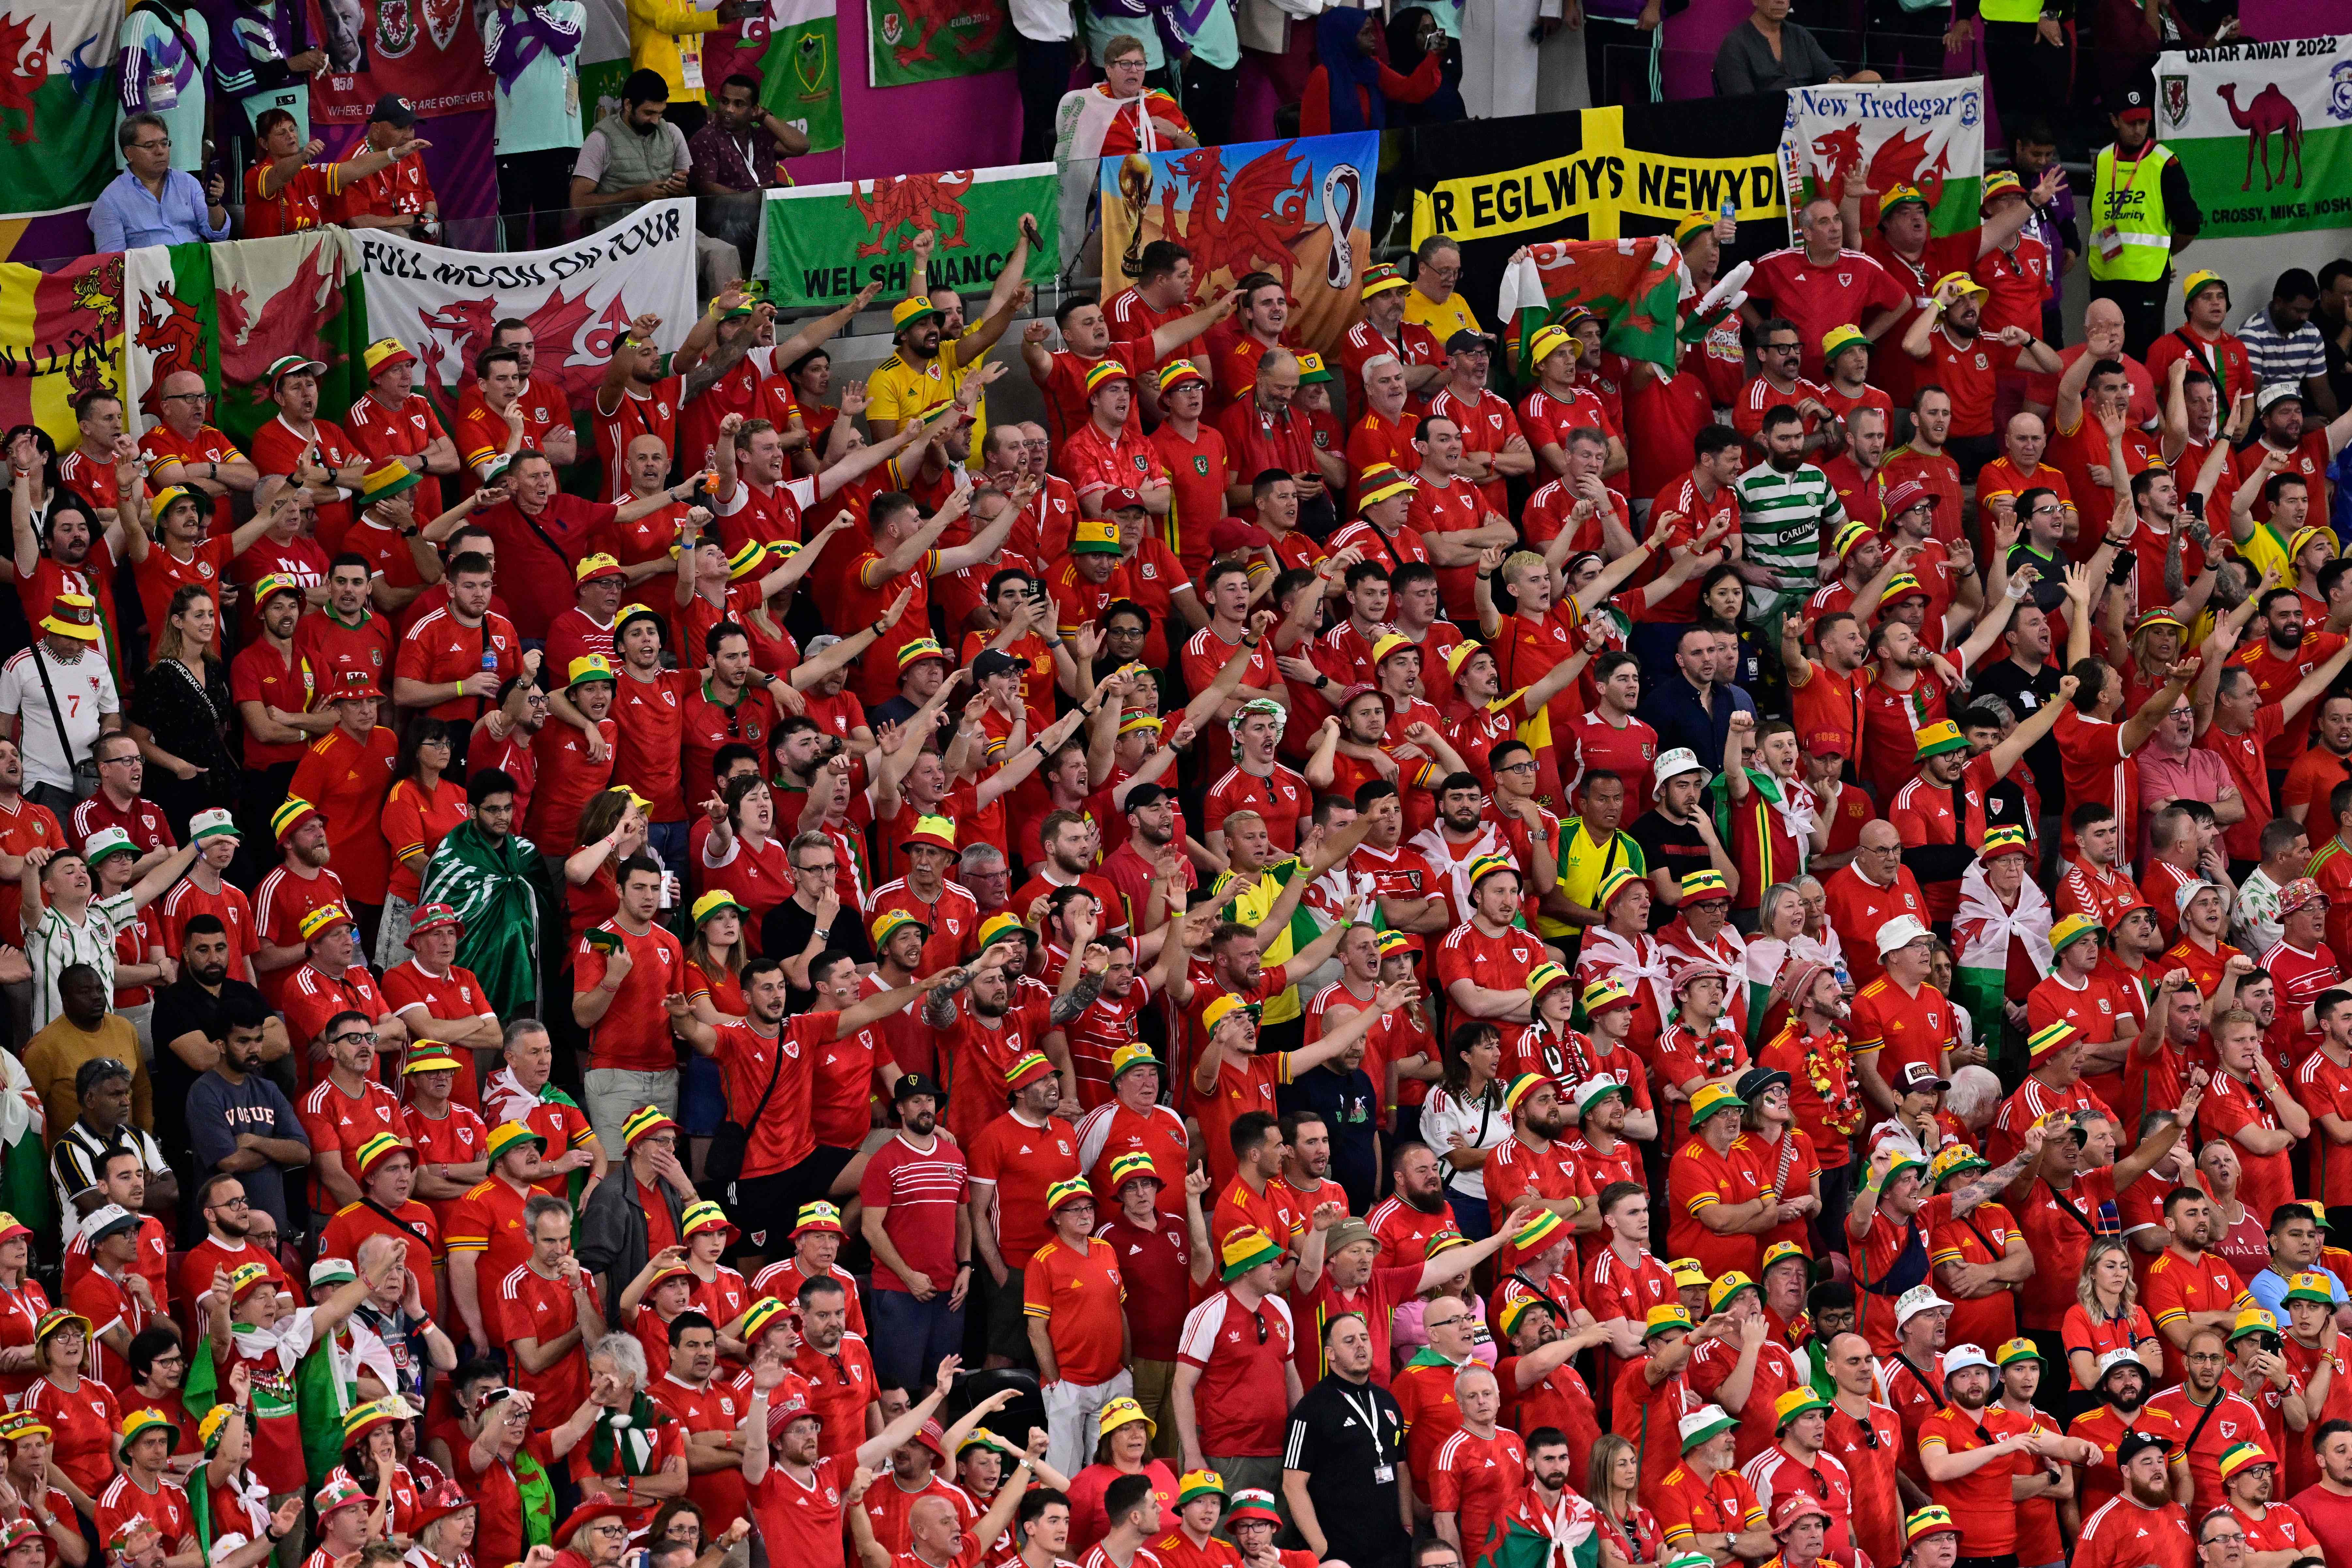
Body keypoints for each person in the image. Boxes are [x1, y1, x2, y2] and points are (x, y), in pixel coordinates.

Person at [2086, 86, 2205, 359]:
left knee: (2142, 353)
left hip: (2147, 279)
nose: (2139, 130)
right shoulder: (2103, 159)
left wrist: (2164, 254)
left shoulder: (2165, 162)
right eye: (2131, 123)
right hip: (2105, 273)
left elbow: (2189, 224)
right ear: (2115, 121)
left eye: (2144, 122)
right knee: (2103, 352)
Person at [90, 114, 227, 250]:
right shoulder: (110, 200)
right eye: (150, 146)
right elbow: (113, 261)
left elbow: (218, 235)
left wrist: (213, 203)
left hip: (196, 264)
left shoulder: (188, 182)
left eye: (164, 143)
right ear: (129, 153)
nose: (160, 151)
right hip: (151, 270)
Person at [1713, 0, 1840, 95]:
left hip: (1808, 122)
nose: (1781, 1)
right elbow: (1743, 105)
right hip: (1764, 124)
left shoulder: (1800, 35)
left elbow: (1833, 73)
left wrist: (1834, 83)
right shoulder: (1735, 44)